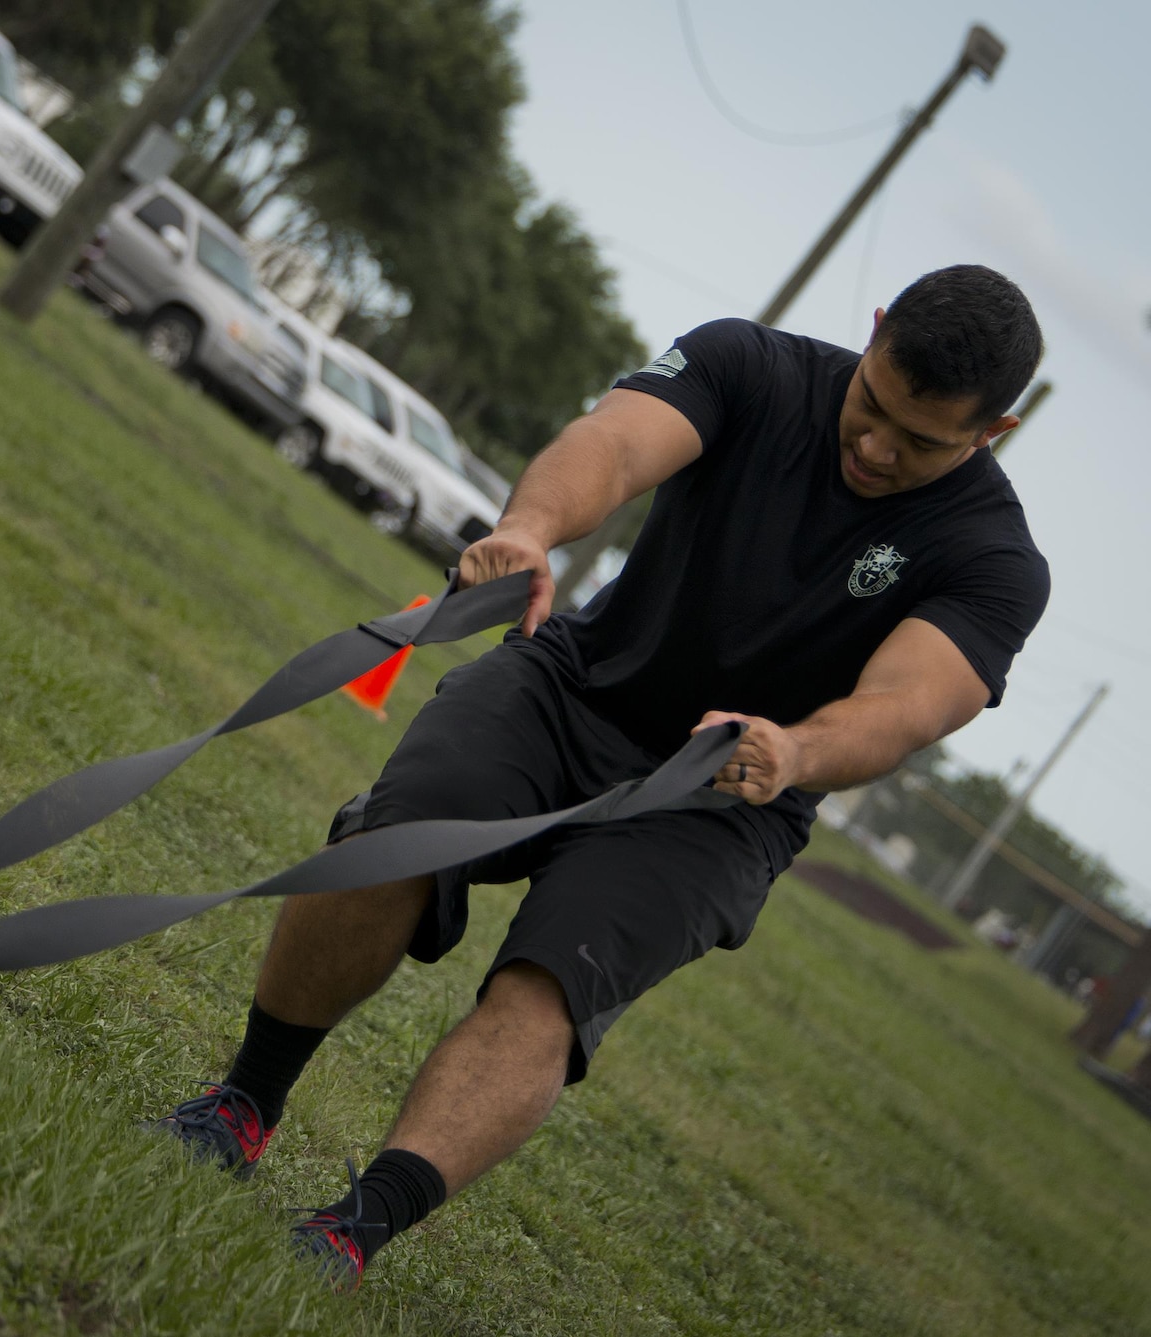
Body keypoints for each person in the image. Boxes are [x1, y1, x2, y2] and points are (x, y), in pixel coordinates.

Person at [148, 264, 1050, 1286]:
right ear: (874, 329)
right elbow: (615, 442)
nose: (875, 447)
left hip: (721, 797)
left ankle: (351, 1231)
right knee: (385, 842)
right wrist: (530, 527)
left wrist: (794, 748)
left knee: (550, 988)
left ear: (993, 431)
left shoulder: (994, 560)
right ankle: (240, 1105)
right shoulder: (748, 364)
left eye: (920, 441)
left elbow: (908, 700)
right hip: (572, 688)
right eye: (870, 407)